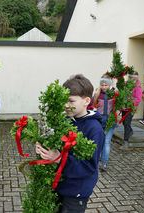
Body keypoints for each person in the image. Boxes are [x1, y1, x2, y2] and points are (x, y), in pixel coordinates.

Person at [35, 74, 105, 213]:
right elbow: (58, 147)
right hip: (59, 185)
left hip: (76, 192)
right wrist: (44, 148)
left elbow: (88, 167)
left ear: (86, 101)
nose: (66, 105)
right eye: (64, 100)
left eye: (71, 101)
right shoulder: (66, 120)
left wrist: (59, 158)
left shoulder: (94, 129)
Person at [89, 75, 116, 171]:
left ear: (109, 85)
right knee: (98, 140)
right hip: (99, 121)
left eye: (106, 85)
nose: (104, 87)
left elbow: (118, 107)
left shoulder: (114, 94)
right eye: (102, 85)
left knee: (107, 142)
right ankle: (95, 160)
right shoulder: (97, 94)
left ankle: (104, 162)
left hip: (110, 121)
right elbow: (90, 105)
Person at [120, 71, 143, 150]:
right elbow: (122, 92)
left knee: (127, 122)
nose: (133, 79)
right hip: (124, 107)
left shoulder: (138, 86)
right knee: (124, 122)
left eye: (135, 78)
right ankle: (130, 130)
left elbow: (138, 98)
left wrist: (131, 102)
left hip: (131, 108)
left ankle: (125, 142)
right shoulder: (126, 83)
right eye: (131, 77)